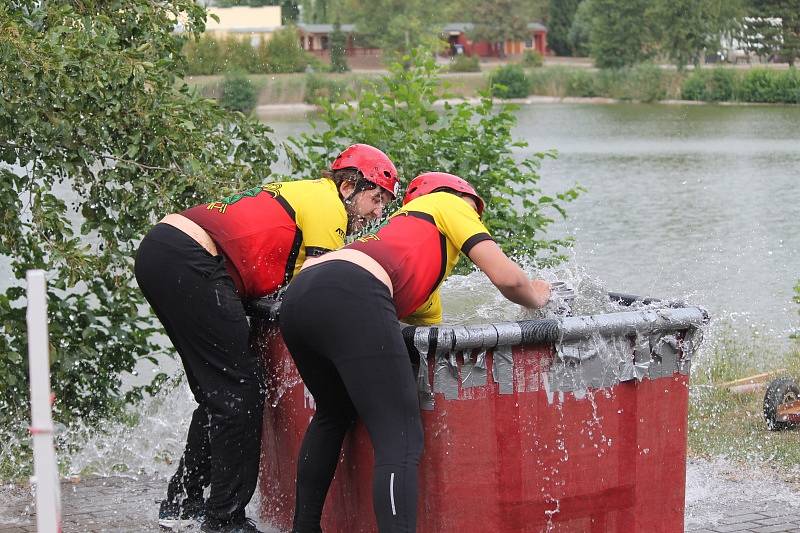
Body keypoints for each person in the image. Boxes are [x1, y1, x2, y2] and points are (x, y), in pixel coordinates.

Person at [134, 144, 398, 533]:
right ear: (347, 187)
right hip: (191, 259)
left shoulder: (303, 193)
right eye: (376, 199)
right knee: (240, 392)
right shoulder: (327, 206)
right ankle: (225, 520)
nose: (379, 212)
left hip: (165, 249)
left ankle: (182, 505)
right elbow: (324, 288)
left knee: (219, 393)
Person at [278, 172, 551, 532]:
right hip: (351, 290)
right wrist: (540, 296)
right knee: (400, 437)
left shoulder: (412, 257)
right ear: (455, 196)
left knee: (333, 413)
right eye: (474, 211)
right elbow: (510, 280)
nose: (475, 219)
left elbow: (426, 333)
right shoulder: (445, 202)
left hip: (300, 297)